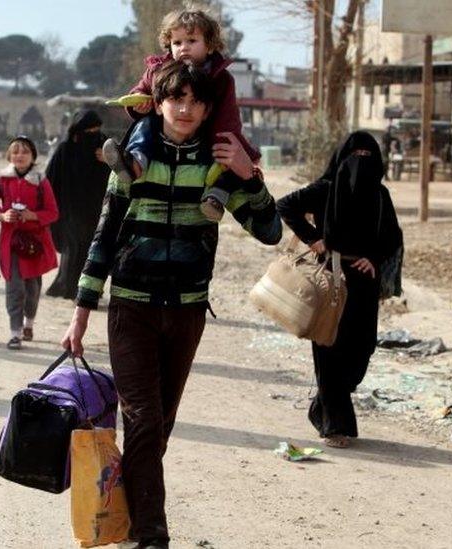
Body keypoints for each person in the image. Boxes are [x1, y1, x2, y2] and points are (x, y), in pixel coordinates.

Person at [61, 61, 280, 549]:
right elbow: (104, 235)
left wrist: (251, 177)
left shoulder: (220, 164)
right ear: (157, 103)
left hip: (186, 309)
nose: (185, 108)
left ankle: (129, 515)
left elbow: (270, 232)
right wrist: (82, 310)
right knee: (143, 417)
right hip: (132, 307)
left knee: (159, 427)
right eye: (175, 99)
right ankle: (153, 536)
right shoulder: (133, 162)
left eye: (196, 101)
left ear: (207, 109)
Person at [276, 131, 402, 449]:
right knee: (329, 345)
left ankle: (323, 403)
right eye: (354, 155)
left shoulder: (380, 195)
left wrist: (373, 258)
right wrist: (314, 238)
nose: (360, 163)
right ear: (342, 157)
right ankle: (335, 425)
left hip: (363, 282)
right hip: (329, 275)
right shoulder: (325, 189)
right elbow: (285, 206)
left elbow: (392, 236)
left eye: (367, 156)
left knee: (362, 348)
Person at [101, 6, 260, 222]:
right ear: (168, 44)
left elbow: (228, 116)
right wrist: (138, 104)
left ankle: (216, 198)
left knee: (226, 158)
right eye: (177, 43)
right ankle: (135, 164)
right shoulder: (159, 70)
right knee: (144, 126)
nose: (184, 48)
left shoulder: (221, 78)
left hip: (208, 132)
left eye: (191, 41)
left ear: (210, 45)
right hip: (165, 133)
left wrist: (226, 142)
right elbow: (141, 90)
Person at [0, 136, 59, 350]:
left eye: (24, 152)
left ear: (33, 156)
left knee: (32, 289)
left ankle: (28, 323)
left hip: (35, 245)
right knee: (15, 289)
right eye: (15, 152)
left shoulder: (42, 181)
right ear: (9, 156)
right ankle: (15, 333)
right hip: (11, 244)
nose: (19, 156)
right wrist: (1, 216)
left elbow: (53, 213)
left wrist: (32, 216)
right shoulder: (4, 181)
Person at [44, 110, 110, 300]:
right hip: (69, 209)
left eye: (97, 130)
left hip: (96, 209)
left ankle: (90, 289)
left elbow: (120, 174)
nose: (94, 134)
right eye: (89, 130)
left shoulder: (104, 147)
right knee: (72, 247)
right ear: (78, 131)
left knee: (92, 249)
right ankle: (68, 287)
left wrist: (108, 160)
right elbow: (51, 179)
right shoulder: (66, 149)